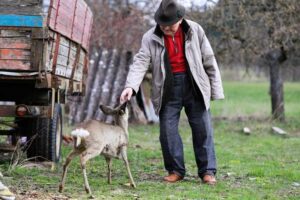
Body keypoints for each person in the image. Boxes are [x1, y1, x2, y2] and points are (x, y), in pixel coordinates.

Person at [120, 0, 224, 185]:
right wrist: (131, 86)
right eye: (163, 25)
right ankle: (175, 170)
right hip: (167, 87)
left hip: (194, 85)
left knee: (203, 129)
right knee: (167, 132)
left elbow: (209, 59)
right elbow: (141, 62)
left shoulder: (195, 30)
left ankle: (207, 172)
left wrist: (215, 90)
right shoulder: (150, 37)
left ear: (181, 19)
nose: (167, 29)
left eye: (171, 25)